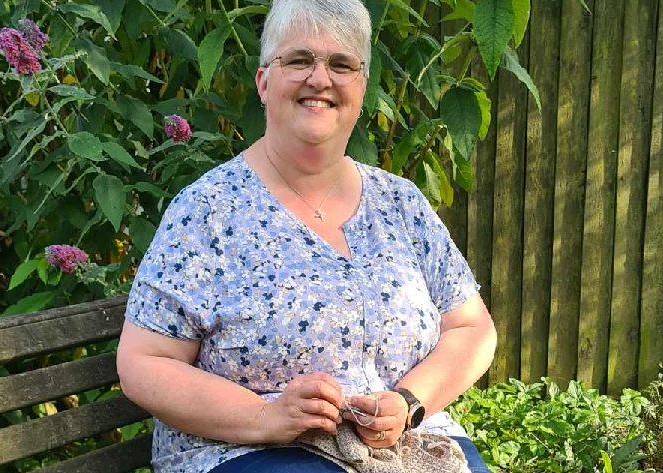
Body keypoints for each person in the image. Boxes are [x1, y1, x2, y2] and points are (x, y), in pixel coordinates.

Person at [116, 1, 497, 471]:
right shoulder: (208, 211)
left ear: (360, 87)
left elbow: (471, 327)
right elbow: (143, 362)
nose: (320, 79)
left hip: (405, 449)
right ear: (263, 82)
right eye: (298, 60)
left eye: (342, 64)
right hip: (250, 452)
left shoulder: (401, 204)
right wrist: (265, 416)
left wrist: (409, 401)